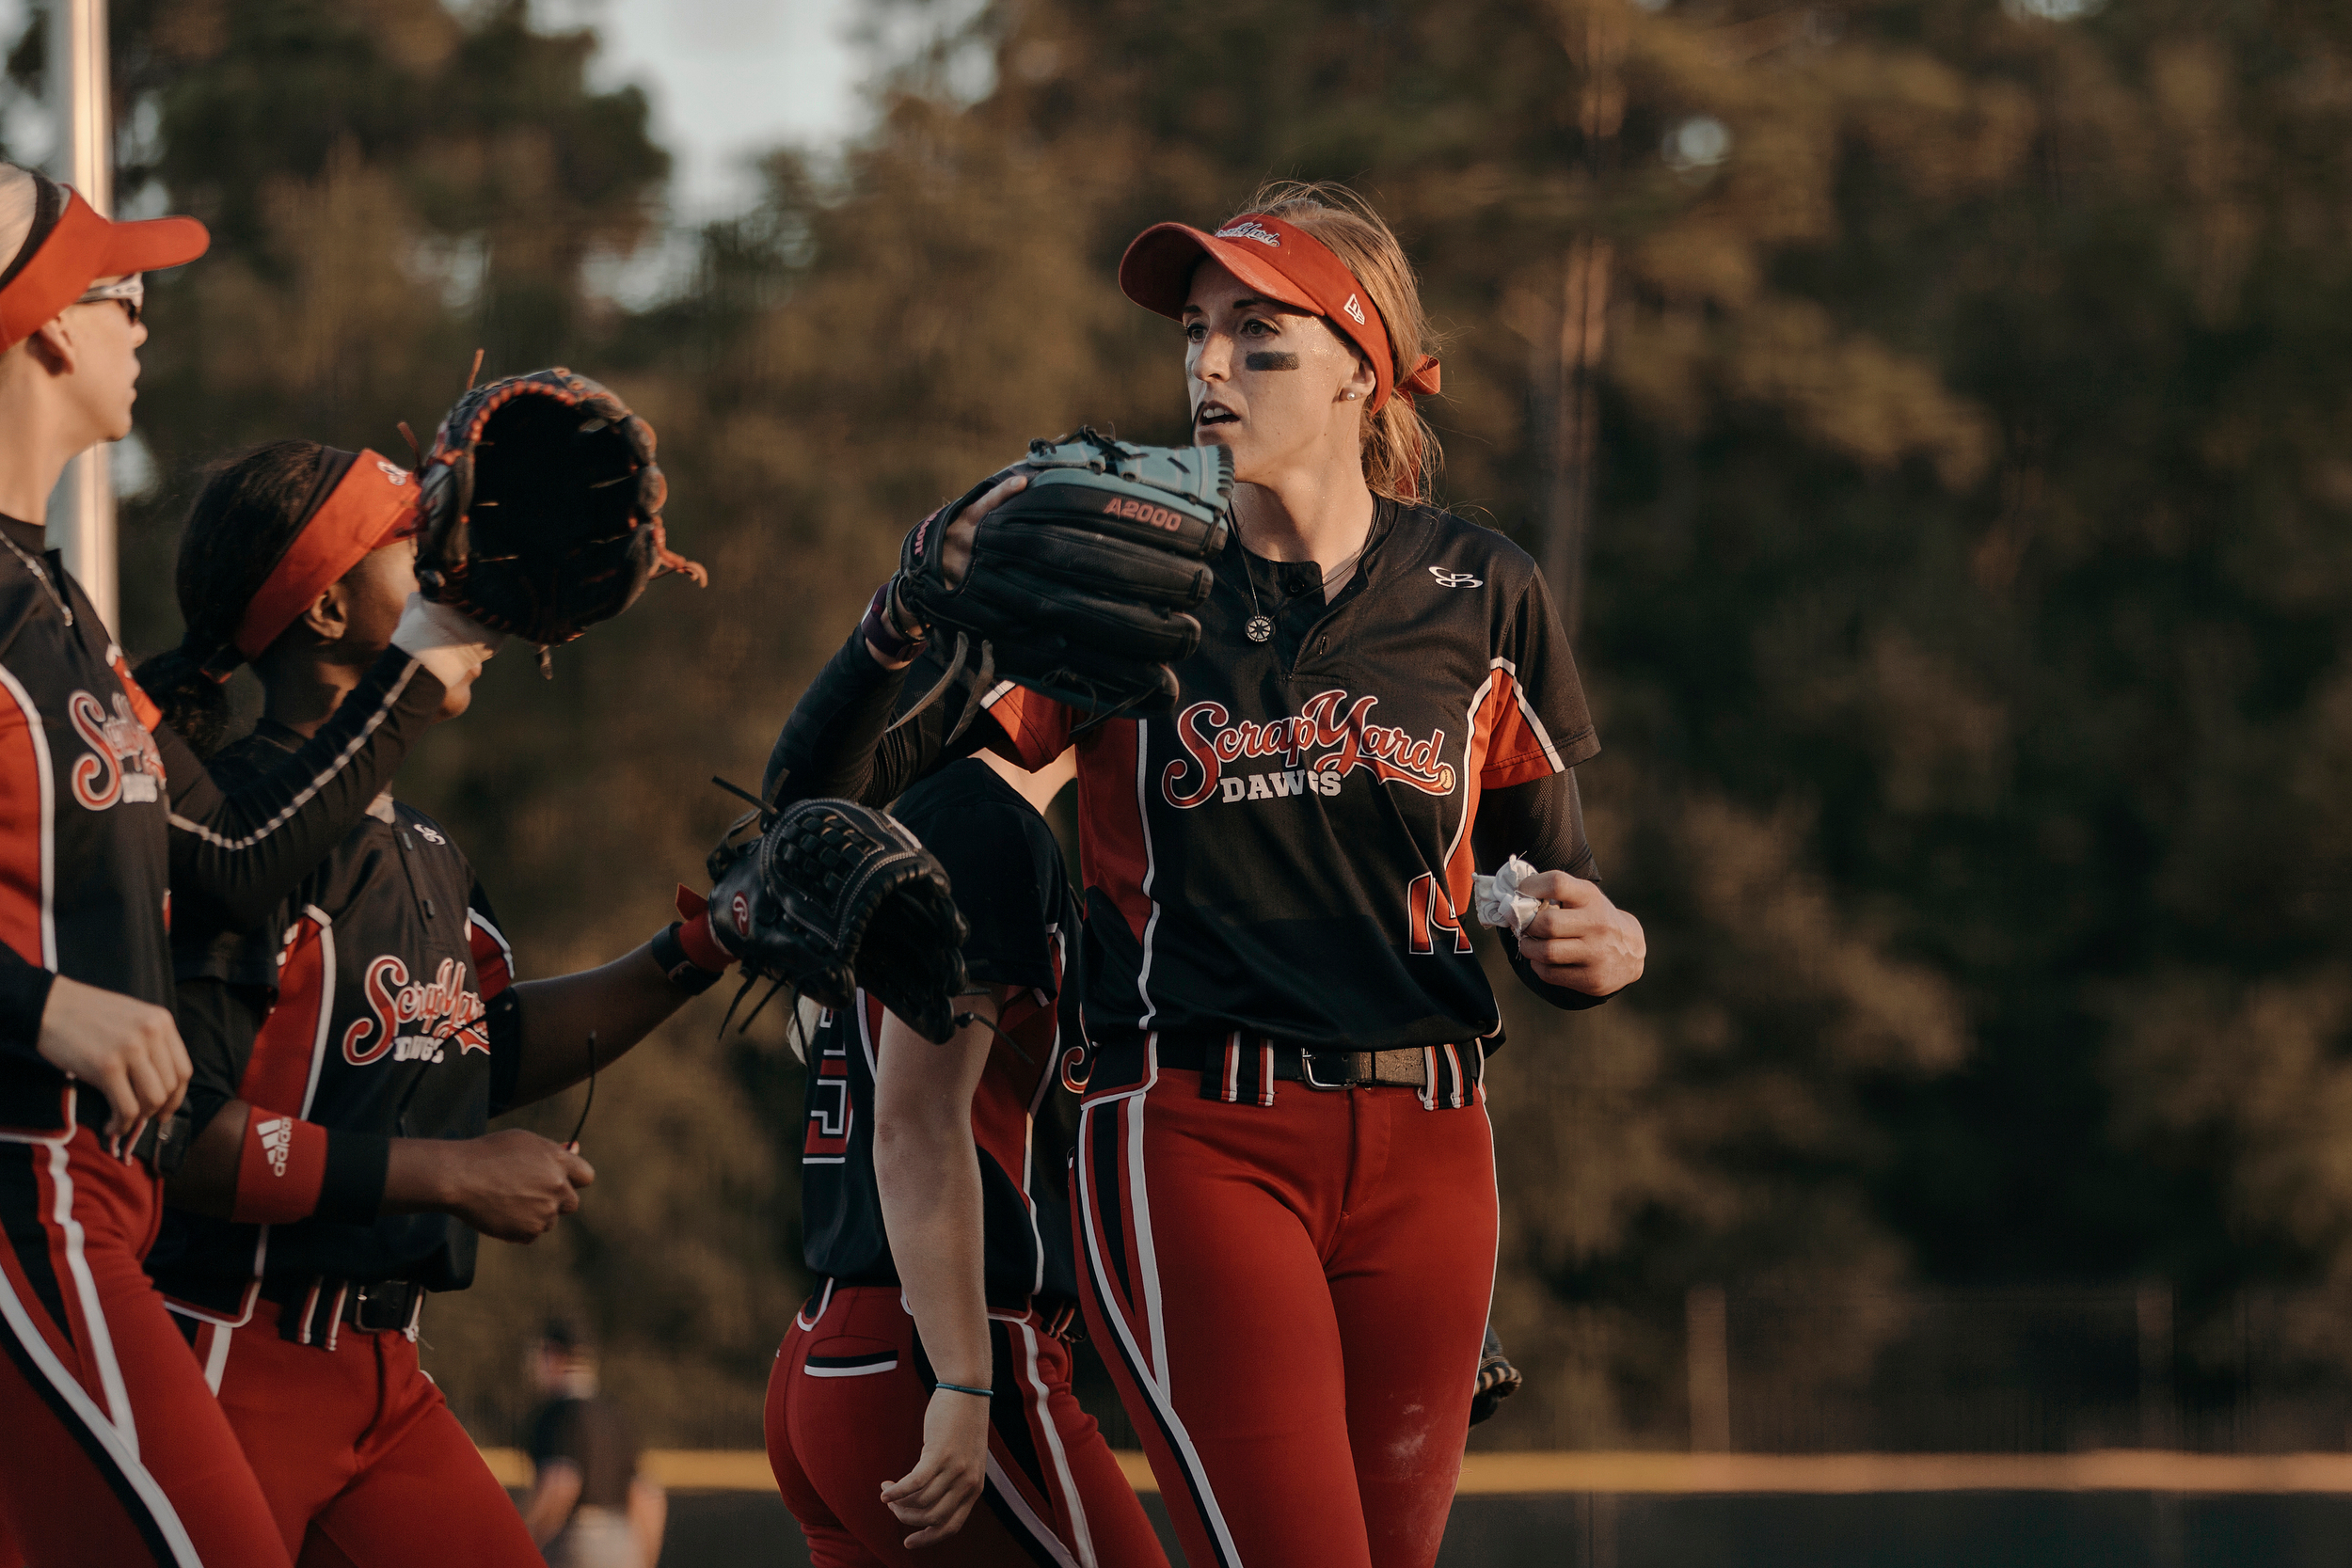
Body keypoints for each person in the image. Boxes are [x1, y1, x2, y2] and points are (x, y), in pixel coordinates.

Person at [760, 181, 1645, 1568]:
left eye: (1258, 334)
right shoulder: (1131, 581)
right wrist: (901, 617)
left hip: (1435, 1146)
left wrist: (1607, 944)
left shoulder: (1483, 588)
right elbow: (850, 802)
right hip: (1197, 1136)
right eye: (1195, 331)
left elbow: (1560, 888)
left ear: (1363, 370)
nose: (1208, 365)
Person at [0, 162, 497, 1566]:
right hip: (25, 1180)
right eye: (120, 293)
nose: (145, 320)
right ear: (39, 325)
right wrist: (38, 1004)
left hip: (85, 1191)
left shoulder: (51, 601)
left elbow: (223, 867)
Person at [130, 438, 739, 1566]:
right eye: (410, 544)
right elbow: (191, 1142)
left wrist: (695, 950)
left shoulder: (425, 848)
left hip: (389, 1377)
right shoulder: (231, 837)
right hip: (227, 1350)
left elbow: (484, 1049)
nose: (452, 565)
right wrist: (452, 1172)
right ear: (321, 611)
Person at [765, 745, 1169, 1568]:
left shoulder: (905, 819)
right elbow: (914, 1124)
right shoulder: (982, 823)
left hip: (840, 1344)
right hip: (941, 1339)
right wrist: (964, 1378)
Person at [521, 1320, 666, 1568]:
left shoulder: (558, 1413)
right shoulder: (614, 1414)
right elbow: (647, 1497)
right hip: (625, 1543)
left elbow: (561, 1483)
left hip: (573, 1545)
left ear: (553, 1354)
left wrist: (519, 1542)